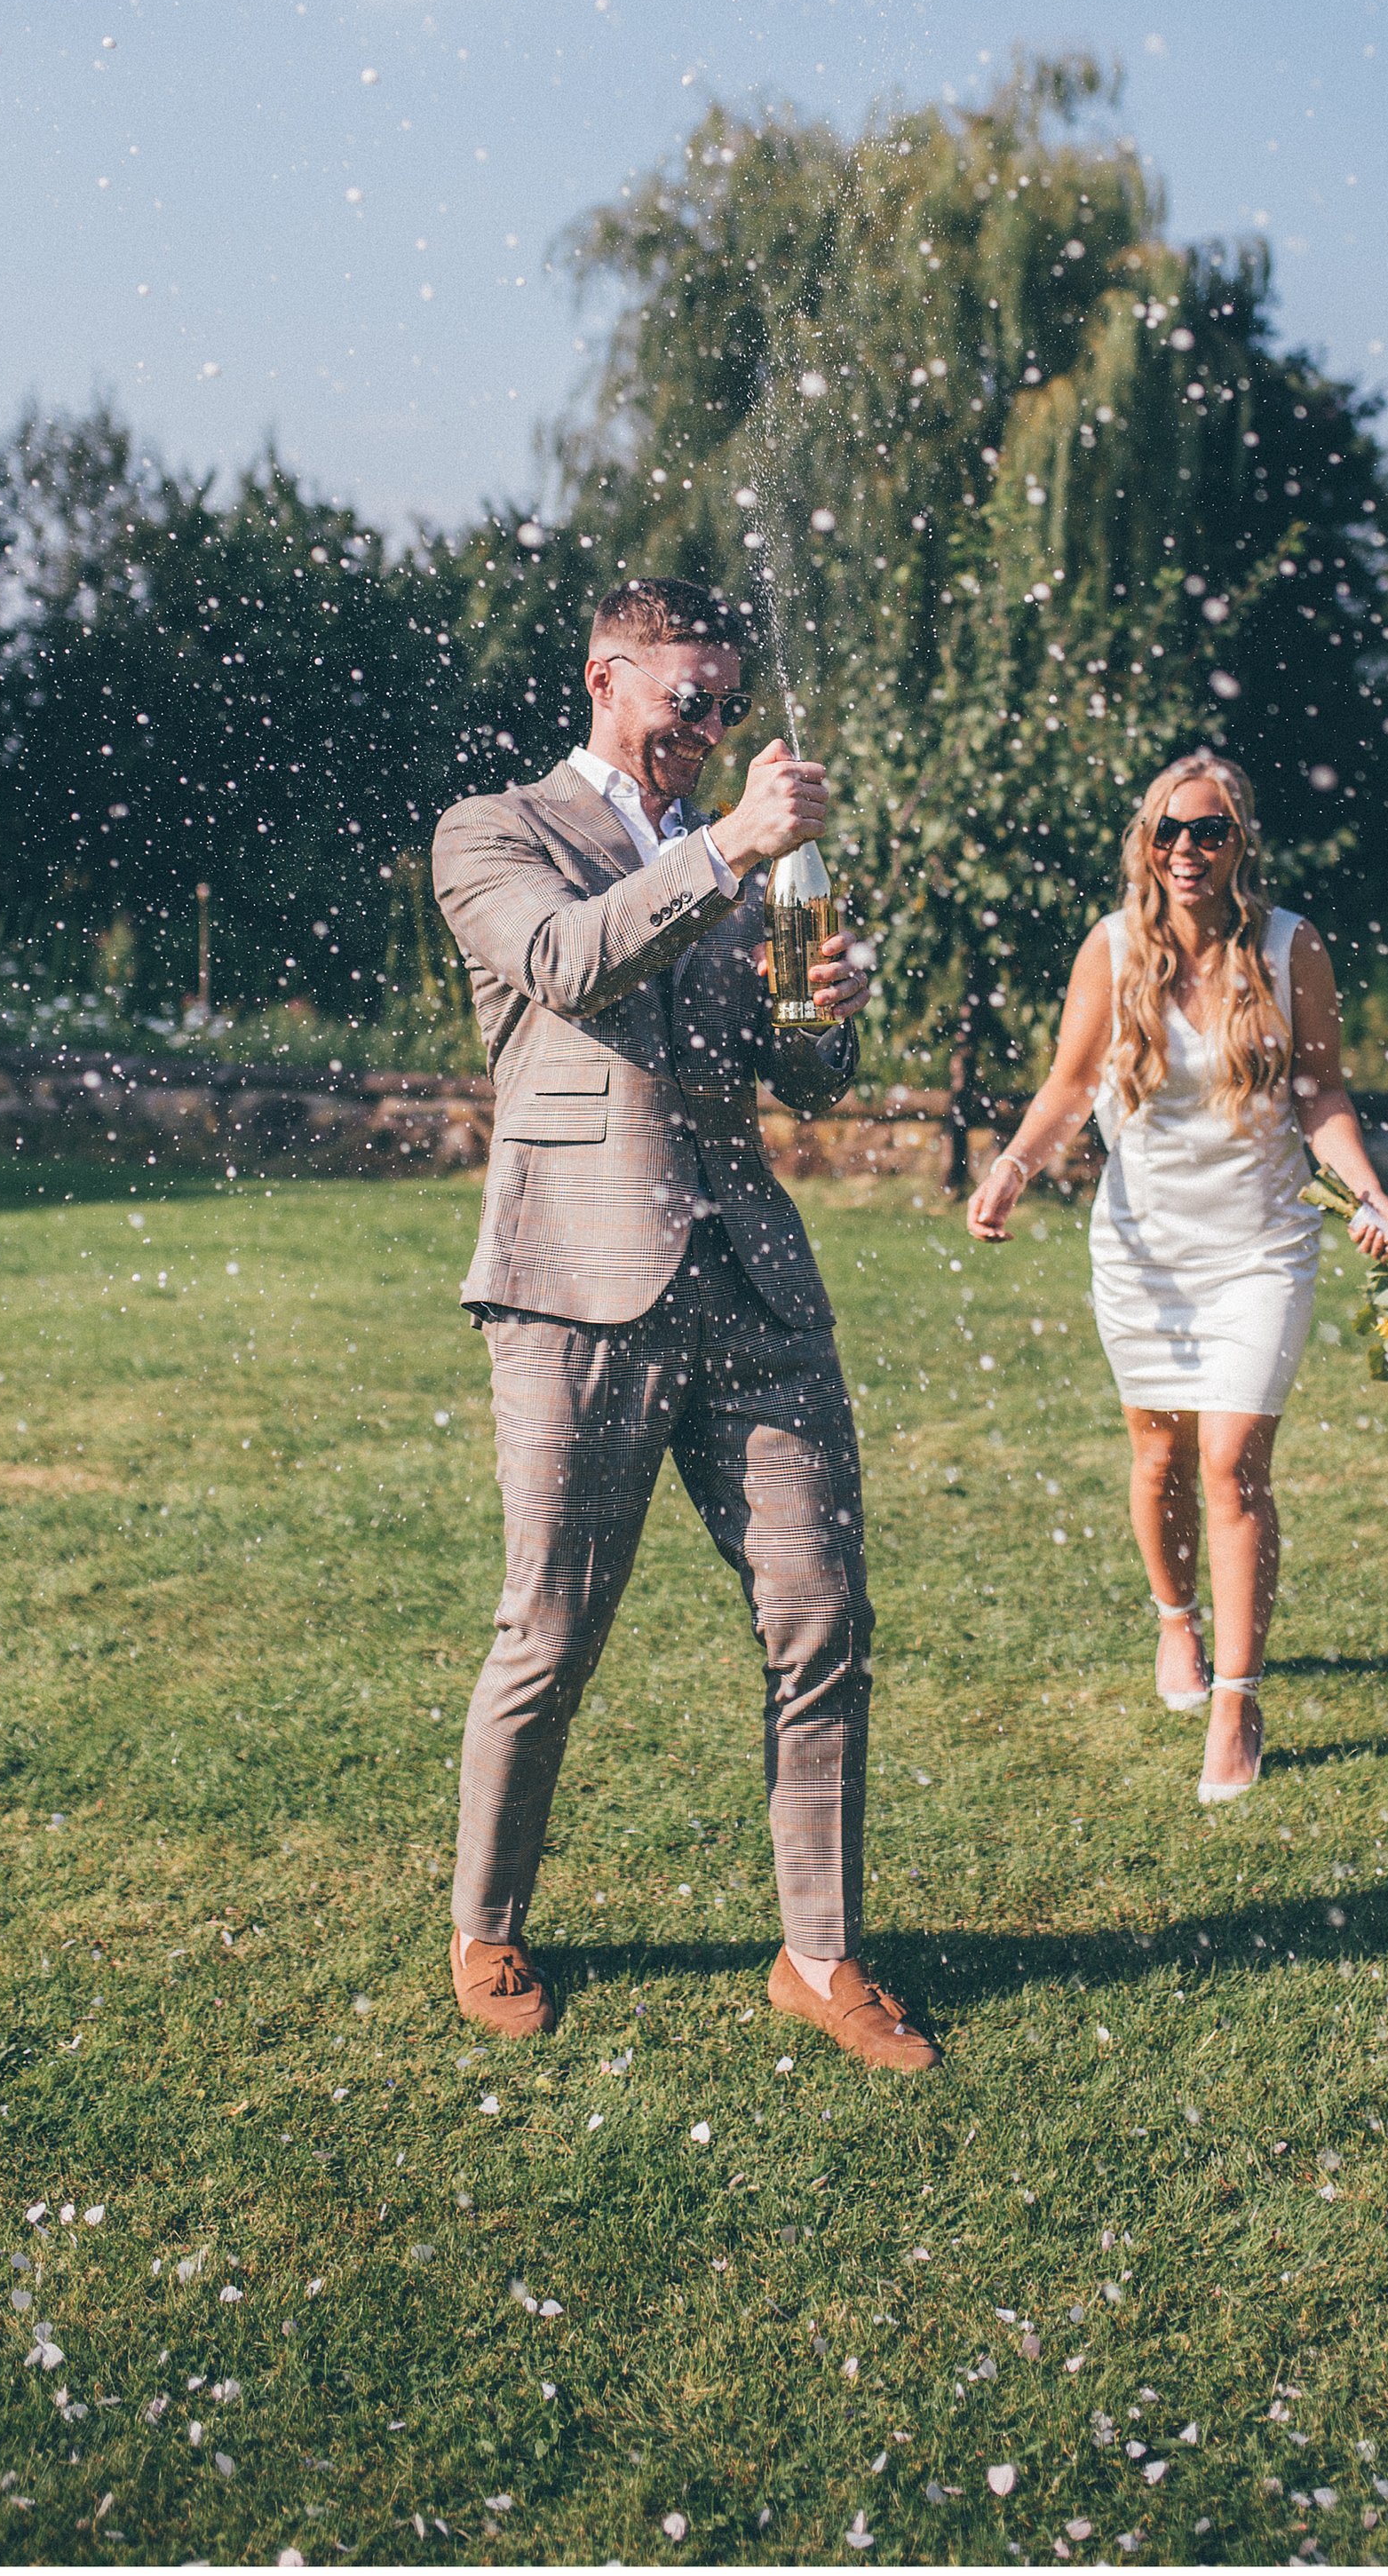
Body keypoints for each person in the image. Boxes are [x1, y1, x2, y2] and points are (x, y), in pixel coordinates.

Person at [431, 575, 939, 2073]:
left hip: (756, 1284)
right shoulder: (495, 830)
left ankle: (821, 1952)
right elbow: (570, 963)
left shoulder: (747, 857)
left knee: (824, 1617)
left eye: (729, 706)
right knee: (553, 1628)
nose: (711, 731)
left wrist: (827, 1013)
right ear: (605, 678)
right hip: (572, 1281)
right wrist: (730, 850)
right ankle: (486, 1920)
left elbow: (810, 1076)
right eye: (687, 703)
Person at [966, 750, 1388, 1802]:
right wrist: (1014, 1168)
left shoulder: (1291, 946)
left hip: (1261, 1244)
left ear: (1238, 840)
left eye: (1206, 830)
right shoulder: (1114, 949)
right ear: (1144, 843)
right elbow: (1069, 1084)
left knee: (1230, 1462)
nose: (1185, 850)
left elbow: (1321, 1092)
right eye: (1166, 830)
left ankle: (1237, 1700)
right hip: (1144, 1249)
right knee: (1157, 1454)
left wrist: (1371, 1194)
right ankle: (1175, 1620)